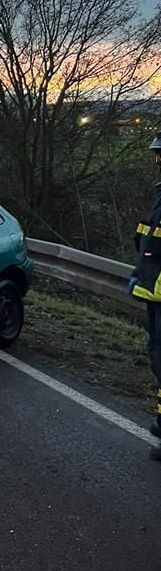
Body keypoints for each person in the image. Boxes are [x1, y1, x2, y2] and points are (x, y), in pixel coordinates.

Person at [129, 132, 161, 462]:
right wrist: (139, 273)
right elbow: (148, 241)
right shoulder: (159, 195)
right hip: (154, 290)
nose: (157, 161)